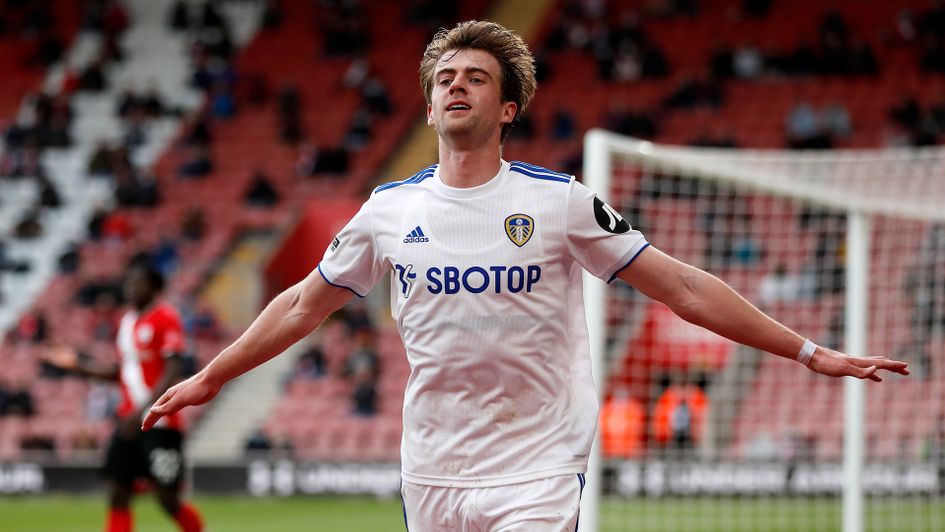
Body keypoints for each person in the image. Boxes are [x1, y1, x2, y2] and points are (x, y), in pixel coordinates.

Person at [143, 20, 909, 530]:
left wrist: (809, 353)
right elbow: (303, 306)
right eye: (444, 76)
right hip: (433, 465)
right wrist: (213, 374)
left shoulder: (559, 202)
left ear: (506, 107)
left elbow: (681, 288)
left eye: (474, 77)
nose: (454, 85)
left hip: (537, 465)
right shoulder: (385, 212)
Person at [45, 265, 204, 532]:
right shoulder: (127, 322)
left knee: (167, 498)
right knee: (118, 491)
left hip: (159, 422)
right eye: (129, 284)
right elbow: (120, 372)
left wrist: (144, 410)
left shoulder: (166, 317)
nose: (131, 289)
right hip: (128, 420)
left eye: (138, 283)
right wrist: (76, 365)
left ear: (154, 288)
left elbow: (173, 369)